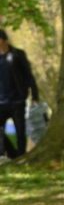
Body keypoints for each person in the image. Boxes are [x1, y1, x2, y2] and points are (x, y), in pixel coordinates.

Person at [0, 28, 39, 159]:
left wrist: (35, 95)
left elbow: (28, 75)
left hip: (17, 100)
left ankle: (21, 156)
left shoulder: (17, 54)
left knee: (20, 131)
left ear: (3, 40)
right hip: (1, 102)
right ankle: (8, 154)